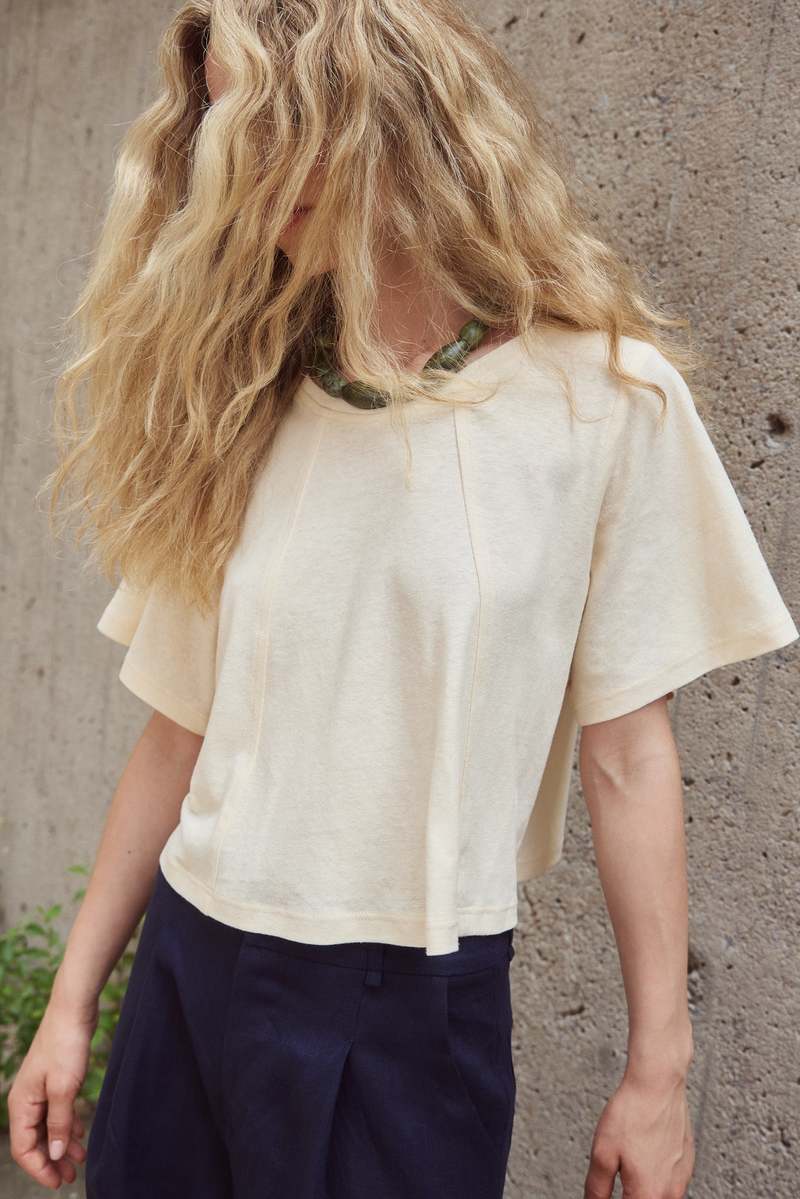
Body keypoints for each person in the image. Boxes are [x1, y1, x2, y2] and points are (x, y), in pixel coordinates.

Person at [9, 1, 798, 1196]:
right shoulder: (250, 401)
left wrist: (658, 1069)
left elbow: (629, 753)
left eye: (268, 113)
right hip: (191, 965)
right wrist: (70, 1007)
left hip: (408, 1012)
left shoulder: (603, 402)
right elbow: (177, 732)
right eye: (217, 117)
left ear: (384, 110)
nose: (234, 156)